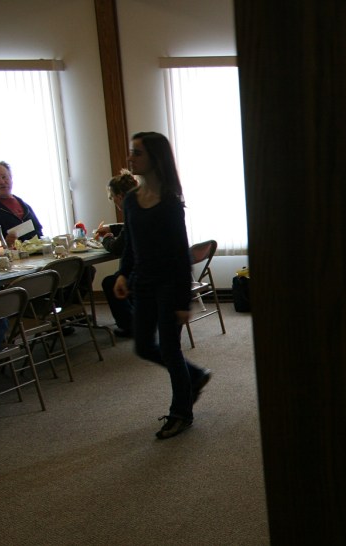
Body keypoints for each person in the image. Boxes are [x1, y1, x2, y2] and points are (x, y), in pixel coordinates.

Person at [112, 132, 211, 440]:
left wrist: (183, 302)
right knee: (143, 346)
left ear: (155, 158)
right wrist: (123, 273)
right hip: (143, 284)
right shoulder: (130, 200)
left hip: (169, 287)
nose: (131, 158)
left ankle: (182, 412)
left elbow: (182, 257)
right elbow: (130, 243)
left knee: (169, 349)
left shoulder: (169, 203)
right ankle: (194, 375)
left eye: (137, 153)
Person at [95, 170, 138, 338]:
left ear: (119, 196)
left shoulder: (131, 210)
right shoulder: (140, 205)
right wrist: (112, 228)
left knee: (110, 282)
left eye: (112, 198)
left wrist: (106, 239)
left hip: (141, 271)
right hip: (157, 268)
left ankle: (129, 326)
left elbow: (117, 248)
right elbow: (128, 229)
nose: (113, 202)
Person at [0, 161, 45, 249]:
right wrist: (4, 242)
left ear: (11, 179)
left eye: (4, 177)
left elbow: (39, 234)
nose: (2, 181)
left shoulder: (25, 206)